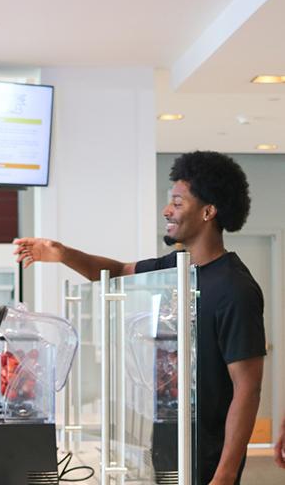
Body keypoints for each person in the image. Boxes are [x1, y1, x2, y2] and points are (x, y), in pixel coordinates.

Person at [14, 151, 265, 485]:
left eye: (177, 202)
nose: (167, 210)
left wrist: (225, 473)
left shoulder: (236, 288)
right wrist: (62, 254)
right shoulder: (174, 269)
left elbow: (247, 389)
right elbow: (117, 271)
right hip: (166, 446)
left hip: (206, 460)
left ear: (208, 211)